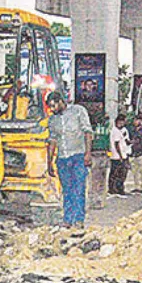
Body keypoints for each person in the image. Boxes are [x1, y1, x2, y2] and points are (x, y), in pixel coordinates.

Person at [46, 91, 93, 227]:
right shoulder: (53, 120)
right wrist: (49, 163)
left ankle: (78, 220)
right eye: (50, 107)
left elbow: (87, 133)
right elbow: (52, 141)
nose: (52, 109)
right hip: (62, 159)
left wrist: (88, 154)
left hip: (78, 156)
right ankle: (67, 219)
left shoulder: (78, 111)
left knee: (78, 188)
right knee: (67, 190)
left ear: (61, 101)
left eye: (54, 106)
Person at [107, 115, 132, 195]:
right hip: (117, 156)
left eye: (122, 122)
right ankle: (112, 189)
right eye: (119, 122)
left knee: (122, 173)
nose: (121, 123)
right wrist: (120, 156)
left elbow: (126, 140)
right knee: (115, 173)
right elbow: (116, 144)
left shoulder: (124, 130)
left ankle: (120, 188)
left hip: (124, 154)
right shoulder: (115, 131)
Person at [127, 115, 142, 194]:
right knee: (135, 172)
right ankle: (136, 186)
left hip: (141, 152)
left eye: (137, 120)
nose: (135, 122)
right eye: (134, 120)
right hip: (132, 152)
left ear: (140, 121)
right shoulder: (131, 130)